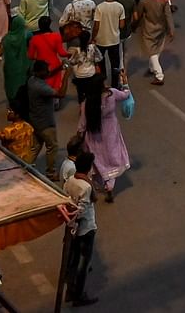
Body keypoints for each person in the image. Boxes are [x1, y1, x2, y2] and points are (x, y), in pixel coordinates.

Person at [78, 79, 131, 202]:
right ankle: (110, 184)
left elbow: (82, 124)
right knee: (112, 157)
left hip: (94, 136)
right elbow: (125, 94)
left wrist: (79, 136)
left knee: (97, 160)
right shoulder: (111, 94)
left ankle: (100, 182)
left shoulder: (87, 103)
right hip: (111, 132)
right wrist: (125, 83)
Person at [61, 159, 100, 307]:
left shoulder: (70, 180)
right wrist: (76, 218)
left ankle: (70, 291)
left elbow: (66, 198)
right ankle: (78, 295)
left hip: (73, 228)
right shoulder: (86, 187)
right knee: (83, 264)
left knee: (73, 260)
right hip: (86, 229)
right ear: (88, 168)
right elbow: (82, 210)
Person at [132, 0, 174, 86]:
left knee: (152, 52)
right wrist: (171, 30)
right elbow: (168, 16)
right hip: (161, 28)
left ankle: (159, 76)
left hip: (149, 29)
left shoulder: (144, 0)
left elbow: (139, 15)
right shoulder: (164, 0)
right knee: (157, 48)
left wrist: (134, 26)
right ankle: (152, 67)